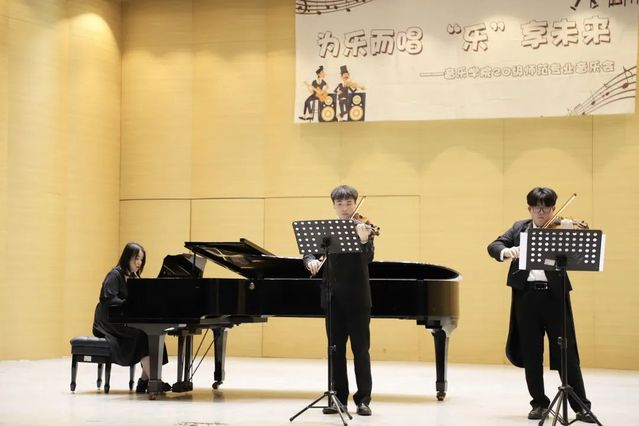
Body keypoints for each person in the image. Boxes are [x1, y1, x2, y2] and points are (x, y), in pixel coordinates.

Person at [487, 187, 595, 423]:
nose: (541, 212)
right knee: (531, 352)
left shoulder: (561, 228)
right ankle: (539, 403)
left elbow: (583, 242)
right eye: (537, 207)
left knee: (566, 351)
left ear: (554, 208)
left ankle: (581, 406)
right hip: (526, 297)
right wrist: (507, 251)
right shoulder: (519, 228)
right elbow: (494, 246)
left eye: (546, 207)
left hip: (555, 296)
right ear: (529, 209)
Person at [303, 185, 375, 416]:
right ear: (334, 205)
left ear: (355, 203)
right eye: (340, 204)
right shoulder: (326, 231)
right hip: (332, 298)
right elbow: (309, 251)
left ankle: (363, 400)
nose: (345, 208)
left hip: (358, 298)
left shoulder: (363, 227)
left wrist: (363, 240)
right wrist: (310, 261)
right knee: (335, 350)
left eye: (349, 203)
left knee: (360, 350)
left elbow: (368, 258)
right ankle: (338, 399)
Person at [92, 242, 169, 393]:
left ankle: (146, 380)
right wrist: (129, 304)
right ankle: (154, 381)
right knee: (143, 334)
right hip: (108, 322)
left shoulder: (134, 276)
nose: (139, 262)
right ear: (127, 258)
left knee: (154, 334)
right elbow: (108, 300)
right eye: (136, 258)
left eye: (141, 259)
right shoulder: (115, 275)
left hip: (123, 319)